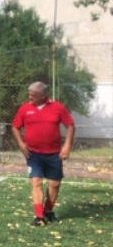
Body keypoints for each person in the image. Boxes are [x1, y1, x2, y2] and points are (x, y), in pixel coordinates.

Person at [11, 81, 75, 227]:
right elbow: (15, 127)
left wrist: (67, 146)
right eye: (29, 94)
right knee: (36, 182)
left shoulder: (58, 108)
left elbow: (70, 125)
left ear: (44, 95)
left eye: (33, 95)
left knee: (54, 184)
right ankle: (39, 216)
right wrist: (21, 144)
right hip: (33, 154)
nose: (30, 97)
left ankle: (48, 211)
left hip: (54, 154)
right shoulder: (25, 108)